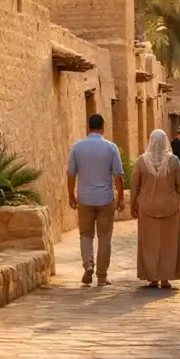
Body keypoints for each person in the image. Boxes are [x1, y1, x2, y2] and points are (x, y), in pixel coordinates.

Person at [67, 114, 125, 287]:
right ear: (103, 128)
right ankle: (101, 276)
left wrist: (71, 195)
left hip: (85, 198)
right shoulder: (111, 148)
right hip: (105, 198)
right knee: (104, 237)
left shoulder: (77, 147)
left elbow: (71, 174)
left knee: (85, 234)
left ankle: (88, 264)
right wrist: (121, 198)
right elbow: (118, 176)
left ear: (88, 127)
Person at [131, 129, 180, 289]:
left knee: (149, 243)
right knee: (168, 243)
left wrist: (132, 205)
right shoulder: (173, 161)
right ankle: (165, 278)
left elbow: (135, 185)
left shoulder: (141, 161)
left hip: (147, 208)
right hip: (169, 208)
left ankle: (152, 278)